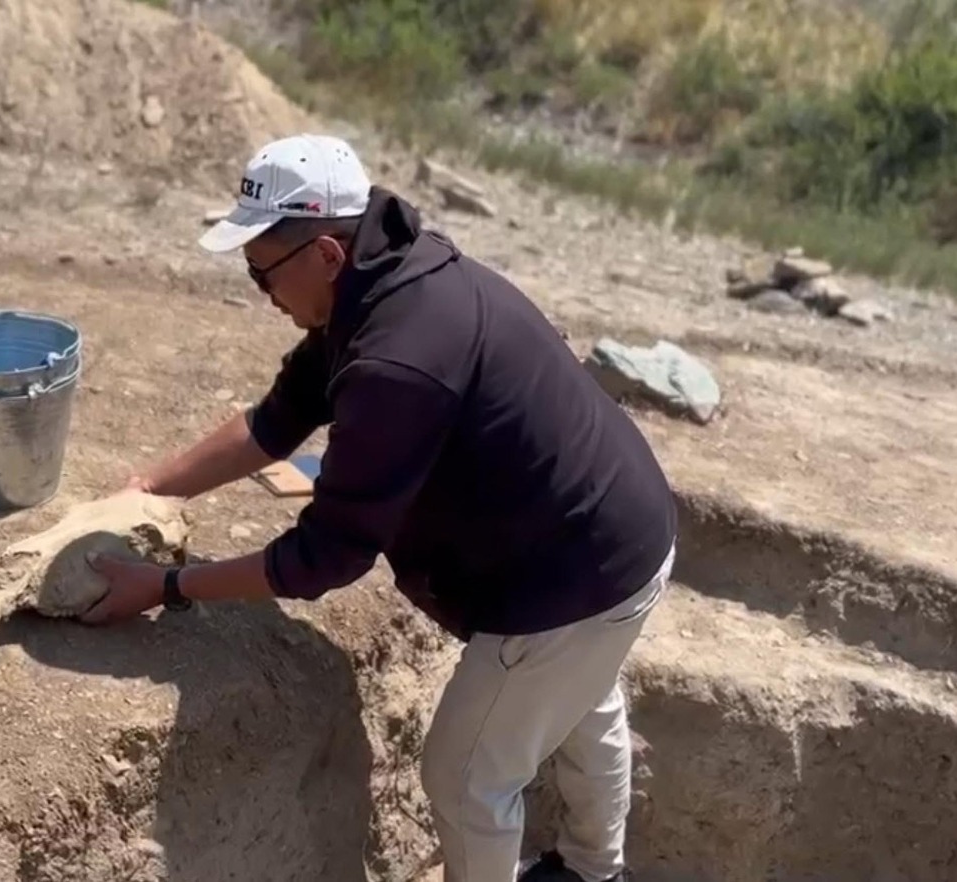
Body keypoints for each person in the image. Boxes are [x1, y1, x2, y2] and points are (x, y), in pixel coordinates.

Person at [83, 133, 677, 882]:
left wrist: (165, 586)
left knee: (464, 777)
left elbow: (323, 557)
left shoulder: (397, 359)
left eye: (261, 271)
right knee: (581, 702)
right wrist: (151, 488)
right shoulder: (384, 274)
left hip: (576, 580)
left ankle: (584, 873)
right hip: (614, 529)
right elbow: (278, 420)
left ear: (325, 254)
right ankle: (596, 872)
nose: (259, 291)